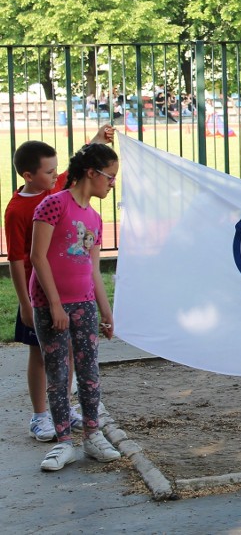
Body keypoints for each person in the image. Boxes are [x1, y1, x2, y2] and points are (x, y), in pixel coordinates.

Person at [4, 126, 114, 442]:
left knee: (64, 354)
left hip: (67, 293)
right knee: (40, 355)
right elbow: (17, 260)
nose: (56, 175)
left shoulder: (55, 192)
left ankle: (62, 411)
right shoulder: (18, 210)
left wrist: (97, 139)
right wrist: (25, 304)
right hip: (37, 296)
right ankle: (40, 416)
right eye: (49, 171)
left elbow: (81, 167)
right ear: (28, 175)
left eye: (57, 170)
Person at [31, 142, 121, 471]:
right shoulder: (54, 205)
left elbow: (93, 270)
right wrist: (54, 305)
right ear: (91, 173)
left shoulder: (94, 219)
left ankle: (93, 436)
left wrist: (106, 311)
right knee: (57, 373)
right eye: (109, 178)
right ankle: (63, 442)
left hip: (84, 305)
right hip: (50, 304)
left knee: (89, 372)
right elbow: (37, 257)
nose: (112, 184)